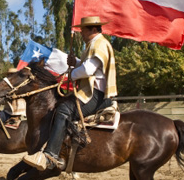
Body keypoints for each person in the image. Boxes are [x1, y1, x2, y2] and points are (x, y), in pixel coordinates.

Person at [23, 16, 117, 171]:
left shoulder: (99, 44)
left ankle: (51, 155)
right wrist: (76, 63)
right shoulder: (93, 44)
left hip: (96, 94)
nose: (81, 33)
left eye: (83, 30)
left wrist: (69, 75)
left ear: (93, 29)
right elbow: (88, 65)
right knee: (61, 104)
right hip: (90, 92)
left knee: (63, 110)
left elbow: (88, 70)